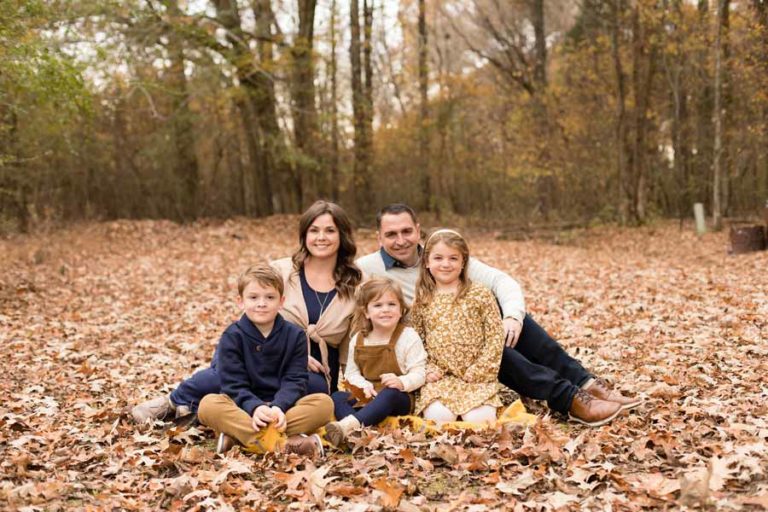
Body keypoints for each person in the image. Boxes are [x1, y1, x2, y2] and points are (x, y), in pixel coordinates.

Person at [355, 204, 641, 427]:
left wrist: (512, 317)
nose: (401, 240)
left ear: (418, 230)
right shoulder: (367, 268)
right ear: (378, 237)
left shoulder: (445, 253)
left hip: (474, 333)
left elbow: (503, 282)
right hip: (437, 350)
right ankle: (567, 398)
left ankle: (586, 385)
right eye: (391, 234)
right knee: (493, 349)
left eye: (407, 231)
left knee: (516, 325)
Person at [131, 200, 361, 423]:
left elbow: (351, 345)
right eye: (314, 230)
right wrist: (292, 352)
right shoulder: (281, 270)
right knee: (225, 375)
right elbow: (251, 317)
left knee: (315, 390)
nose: (321, 237)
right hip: (261, 349)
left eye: (330, 230)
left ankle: (236, 413)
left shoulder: (355, 284)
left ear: (342, 235)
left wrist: (351, 383)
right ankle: (173, 401)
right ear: (304, 235)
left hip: (312, 370)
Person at [196, 265, 333, 458]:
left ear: (281, 302)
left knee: (324, 403)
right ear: (240, 302)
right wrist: (254, 407)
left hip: (285, 409)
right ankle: (286, 444)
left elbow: (295, 379)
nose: (262, 303)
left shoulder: (295, 335)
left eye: (270, 297)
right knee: (208, 405)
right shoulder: (232, 336)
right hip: (243, 408)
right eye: (253, 297)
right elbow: (233, 384)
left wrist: (279, 406)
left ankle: (239, 440)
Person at [409, 229, 507, 423]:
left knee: (480, 421)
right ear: (427, 262)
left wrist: (481, 368)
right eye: (438, 258)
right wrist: (427, 368)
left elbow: (495, 336)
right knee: (440, 418)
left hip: (475, 376)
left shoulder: (479, 293)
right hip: (440, 377)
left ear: (463, 262)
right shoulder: (423, 298)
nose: (446, 264)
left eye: (453, 258)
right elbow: (416, 339)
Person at [325, 278, 427, 447]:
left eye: (391, 304)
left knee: (390, 393)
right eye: (378, 305)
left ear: (401, 309)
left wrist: (401, 382)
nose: (385, 310)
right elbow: (351, 373)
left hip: (398, 397)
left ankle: (349, 426)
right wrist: (363, 385)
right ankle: (359, 433)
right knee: (337, 397)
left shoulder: (408, 336)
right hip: (368, 395)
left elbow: (419, 373)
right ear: (366, 312)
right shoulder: (358, 338)